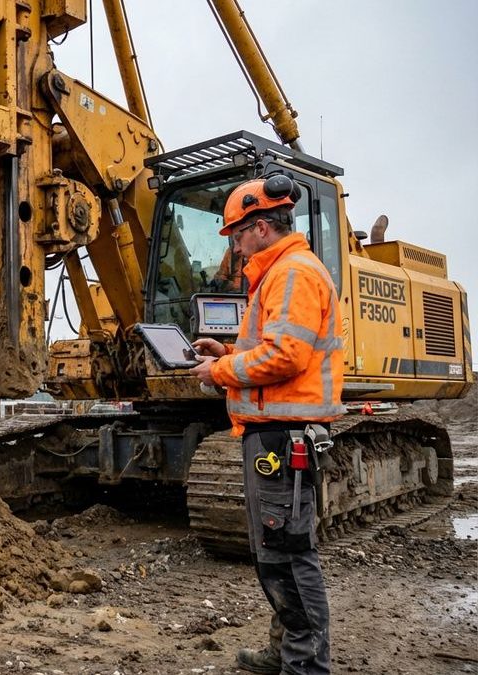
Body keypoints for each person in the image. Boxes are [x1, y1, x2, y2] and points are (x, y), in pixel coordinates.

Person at [189, 175, 345, 675]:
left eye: (235, 234)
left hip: (285, 434)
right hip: (273, 431)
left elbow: (285, 355)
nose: (233, 245)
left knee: (288, 554)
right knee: (275, 551)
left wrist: (217, 371)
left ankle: (305, 666)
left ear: (259, 227)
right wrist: (230, 353)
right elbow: (273, 352)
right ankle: (285, 651)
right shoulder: (280, 273)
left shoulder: (292, 273)